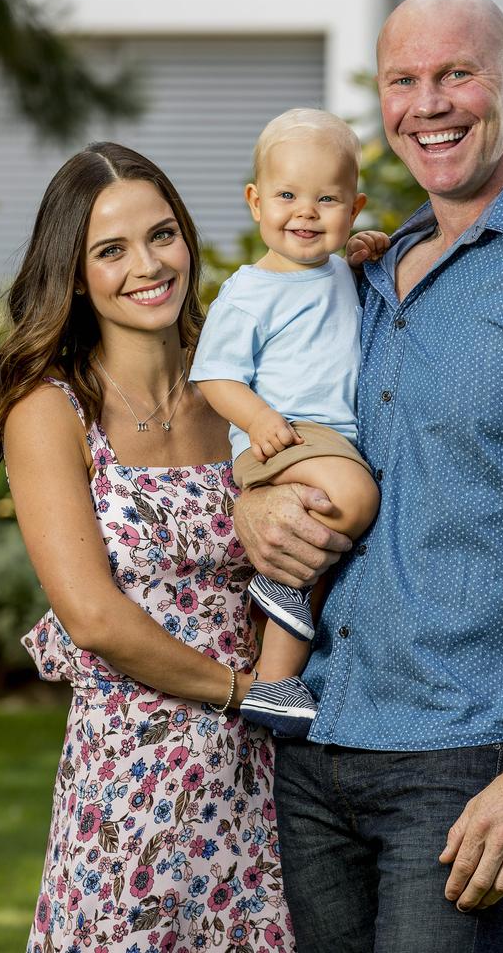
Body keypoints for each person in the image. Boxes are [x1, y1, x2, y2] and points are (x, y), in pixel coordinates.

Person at [232, 0, 503, 953]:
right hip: (319, 732)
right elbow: (304, 431)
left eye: (455, 73)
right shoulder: (370, 267)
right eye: (402, 80)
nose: (429, 103)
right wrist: (256, 504)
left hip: (457, 760)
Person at [0, 142, 295, 953]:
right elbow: (91, 616)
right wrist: (243, 693)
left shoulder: (243, 380)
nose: (147, 265)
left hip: (268, 779)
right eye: (111, 250)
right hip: (130, 788)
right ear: (76, 273)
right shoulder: (51, 411)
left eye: (162, 235)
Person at [189, 109, 384, 736]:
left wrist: (361, 255)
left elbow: (337, 298)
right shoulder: (248, 292)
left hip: (327, 439)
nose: (305, 211)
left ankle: (275, 684)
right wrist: (259, 417)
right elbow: (213, 375)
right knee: (353, 499)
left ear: (352, 209)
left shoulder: (336, 272)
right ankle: (280, 591)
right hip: (285, 436)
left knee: (318, 557)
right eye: (287, 195)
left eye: (326, 199)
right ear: (254, 202)